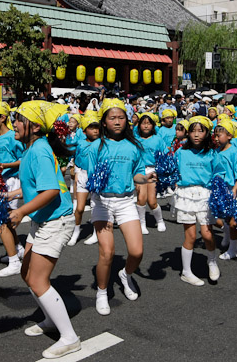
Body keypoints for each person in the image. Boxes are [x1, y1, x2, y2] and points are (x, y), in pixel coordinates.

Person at [9, 101, 81, 359]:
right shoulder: (33, 148)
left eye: (18, 119)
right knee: (26, 273)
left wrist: (21, 211)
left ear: (35, 126)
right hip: (43, 219)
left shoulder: (39, 149)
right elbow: (42, 183)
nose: (14, 123)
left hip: (55, 221)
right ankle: (52, 318)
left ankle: (70, 338)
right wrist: (14, 193)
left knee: (38, 280)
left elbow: (50, 191)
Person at [86, 98, 149, 316]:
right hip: (102, 202)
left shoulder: (134, 146)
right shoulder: (95, 147)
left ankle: (125, 274)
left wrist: (148, 179)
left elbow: (138, 174)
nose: (117, 121)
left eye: (121, 117)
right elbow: (91, 178)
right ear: (103, 122)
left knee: (137, 251)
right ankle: (102, 292)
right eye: (112, 118)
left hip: (125, 202)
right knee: (107, 252)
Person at [173, 116, 223, 286]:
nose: (196, 135)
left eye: (200, 131)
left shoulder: (211, 153)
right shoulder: (180, 152)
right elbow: (172, 170)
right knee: (191, 235)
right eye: (193, 131)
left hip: (205, 194)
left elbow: (219, 172)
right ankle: (186, 272)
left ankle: (212, 260)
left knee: (207, 233)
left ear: (207, 133)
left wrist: (220, 190)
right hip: (185, 194)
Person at [0, 102, 26, 278]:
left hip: (12, 181)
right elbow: (1, 159)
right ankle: (17, 250)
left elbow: (23, 160)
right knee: (5, 220)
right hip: (2, 180)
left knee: (0, 220)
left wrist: (3, 165)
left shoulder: (12, 137)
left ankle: (14, 261)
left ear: (2, 118)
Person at [214, 119, 237, 260]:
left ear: (229, 136)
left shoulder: (234, 152)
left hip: (232, 190)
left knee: (233, 222)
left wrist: (234, 189)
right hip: (219, 191)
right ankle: (227, 238)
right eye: (215, 135)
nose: (216, 138)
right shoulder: (215, 151)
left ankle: (234, 249)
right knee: (224, 219)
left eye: (219, 135)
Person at [68, 113, 100, 246]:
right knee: (79, 208)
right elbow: (77, 158)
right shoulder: (80, 143)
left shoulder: (101, 143)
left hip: (98, 176)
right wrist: (75, 172)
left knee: (95, 207)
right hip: (83, 175)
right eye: (91, 128)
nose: (95, 131)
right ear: (85, 130)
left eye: (97, 128)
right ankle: (76, 231)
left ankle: (95, 232)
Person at [135, 112, 168, 234]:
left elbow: (164, 156)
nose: (146, 126)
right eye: (143, 123)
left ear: (153, 126)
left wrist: (161, 171)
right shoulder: (136, 140)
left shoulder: (158, 140)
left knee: (152, 201)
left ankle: (160, 220)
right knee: (141, 198)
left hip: (154, 171)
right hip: (140, 171)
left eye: (149, 123)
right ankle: (142, 224)